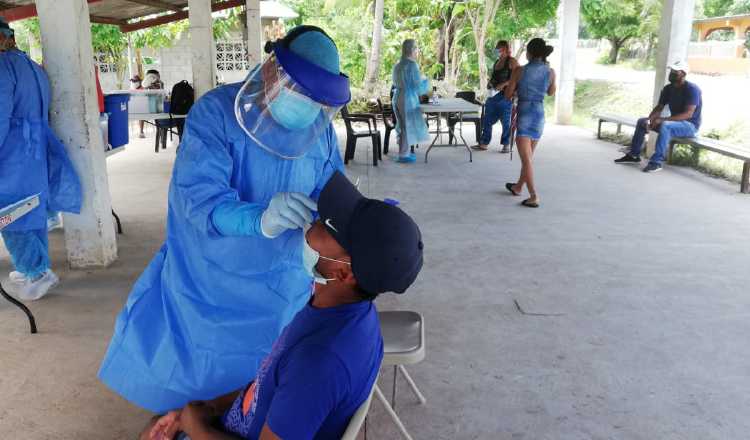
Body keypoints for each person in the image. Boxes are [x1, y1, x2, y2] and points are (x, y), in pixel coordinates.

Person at [98, 25, 352, 414]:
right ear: (271, 71)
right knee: (202, 376)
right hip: (211, 278)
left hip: (281, 282)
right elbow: (199, 201)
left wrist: (344, 226)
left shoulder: (318, 130)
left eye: (316, 99)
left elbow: (330, 189)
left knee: (264, 381)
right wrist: (258, 221)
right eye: (300, 93)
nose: (306, 105)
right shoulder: (215, 114)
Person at [140, 171, 424, 440]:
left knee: (151, 430)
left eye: (326, 226)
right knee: (159, 423)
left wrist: (196, 426)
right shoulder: (345, 311)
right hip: (237, 420)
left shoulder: (319, 362)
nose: (312, 222)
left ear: (343, 272)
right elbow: (269, 382)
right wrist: (209, 408)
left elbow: (298, 379)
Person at [0, 18, 81, 300]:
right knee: (30, 210)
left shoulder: (1, 68)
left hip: (11, 153)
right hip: (34, 148)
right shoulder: (30, 65)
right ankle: (35, 268)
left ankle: (35, 273)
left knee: (10, 214)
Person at [614, 60, 702, 173]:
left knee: (666, 125)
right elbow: (659, 107)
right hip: (674, 123)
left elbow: (688, 114)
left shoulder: (692, 89)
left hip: (690, 126)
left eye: (676, 71)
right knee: (642, 121)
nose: (672, 73)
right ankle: (634, 155)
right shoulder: (668, 89)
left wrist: (662, 119)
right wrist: (650, 119)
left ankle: (656, 162)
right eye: (671, 70)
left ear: (683, 74)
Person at [503, 38, 556, 208]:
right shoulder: (551, 71)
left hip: (525, 112)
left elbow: (507, 95)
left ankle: (533, 196)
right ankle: (518, 187)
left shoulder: (520, 71)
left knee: (527, 160)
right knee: (529, 157)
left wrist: (518, 90)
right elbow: (551, 92)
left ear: (530, 53)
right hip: (539, 114)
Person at [475, 40, 518, 153]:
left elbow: (517, 77)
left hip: (506, 95)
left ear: (504, 49)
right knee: (487, 119)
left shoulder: (512, 61)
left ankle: (506, 144)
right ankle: (484, 142)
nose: (496, 51)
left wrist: (504, 84)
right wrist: (490, 83)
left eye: (498, 49)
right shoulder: (497, 62)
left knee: (505, 121)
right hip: (493, 95)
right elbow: (495, 77)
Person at [392, 39, 430, 164]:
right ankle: (404, 154)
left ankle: (403, 152)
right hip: (407, 99)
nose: (417, 51)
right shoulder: (412, 65)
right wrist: (425, 81)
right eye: (415, 49)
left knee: (402, 125)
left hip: (397, 96)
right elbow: (417, 86)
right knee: (406, 126)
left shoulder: (398, 64)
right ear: (411, 50)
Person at [139, 69, 165, 138]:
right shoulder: (145, 83)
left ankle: (159, 130)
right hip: (147, 106)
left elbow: (162, 94)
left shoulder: (159, 83)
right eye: (158, 75)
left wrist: (158, 86)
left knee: (158, 111)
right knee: (141, 112)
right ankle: (141, 131)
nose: (159, 77)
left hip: (156, 106)